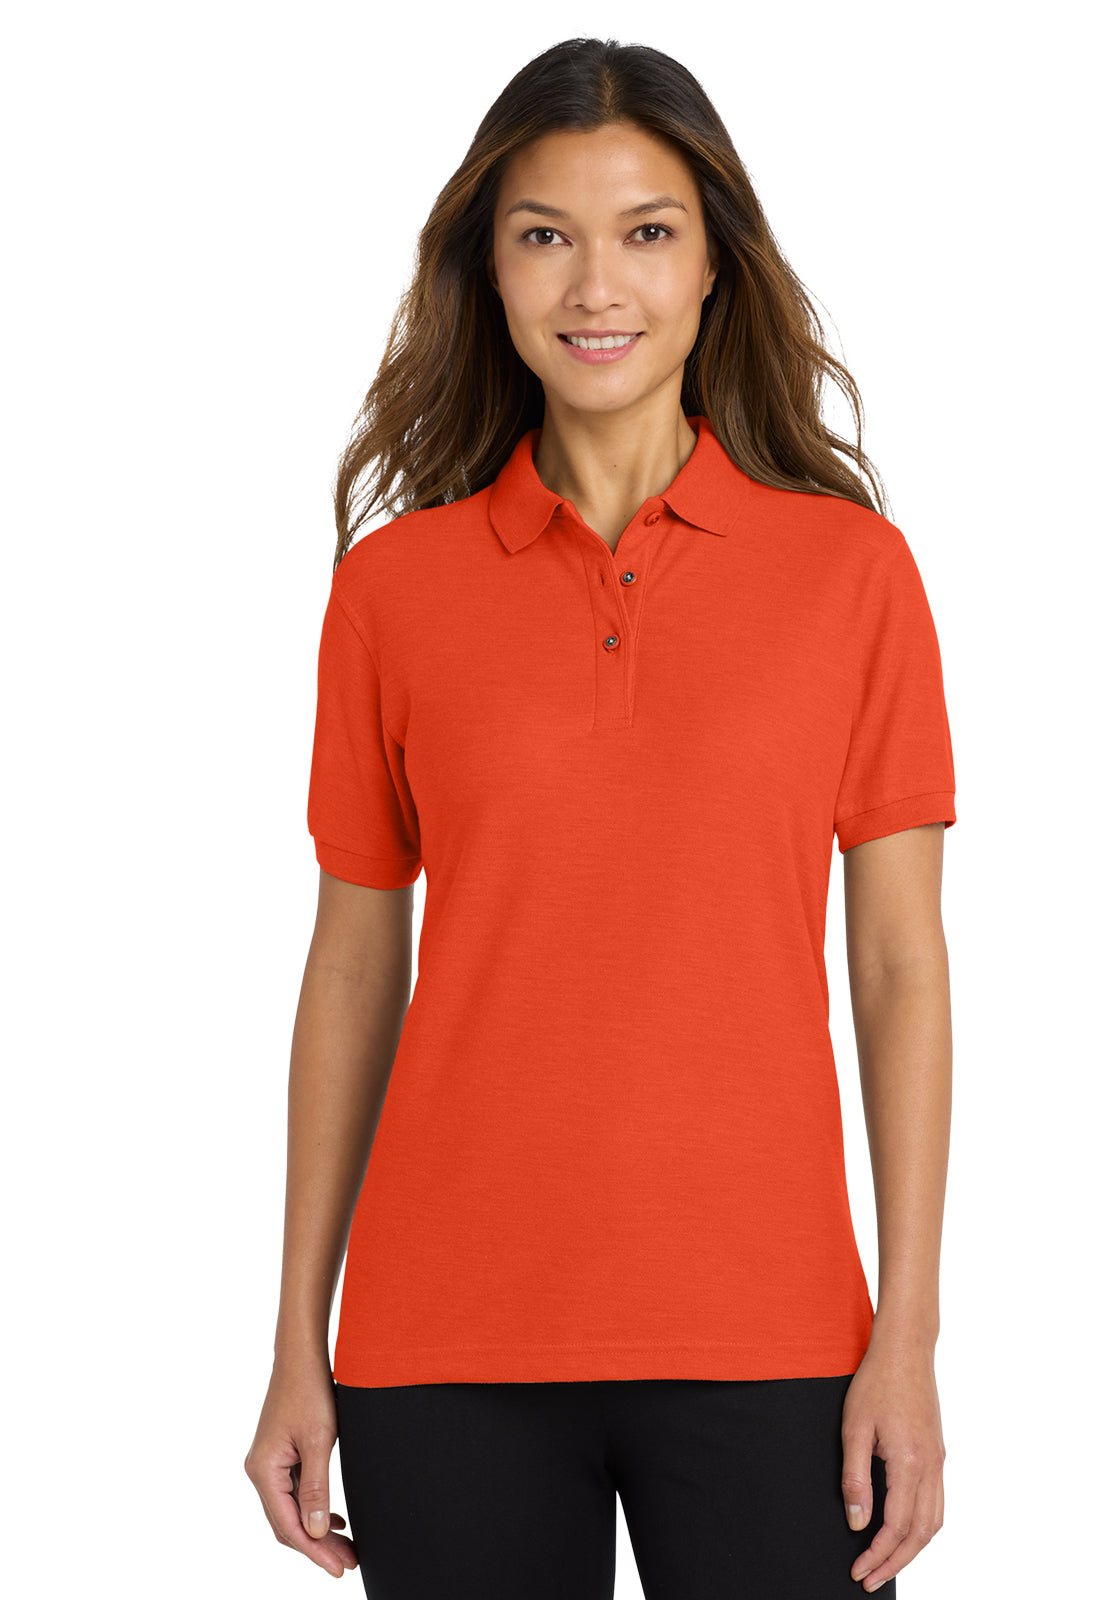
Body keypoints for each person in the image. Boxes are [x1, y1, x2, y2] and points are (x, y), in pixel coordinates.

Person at [245, 35, 954, 1599]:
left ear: (714, 265)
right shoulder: (394, 592)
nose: (595, 285)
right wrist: (298, 1338)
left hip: (775, 1332)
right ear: (488, 272)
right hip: (444, 1344)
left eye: (645, 231)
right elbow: (353, 963)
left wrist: (906, 1332)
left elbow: (900, 964)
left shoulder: (851, 577)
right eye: (543, 235)